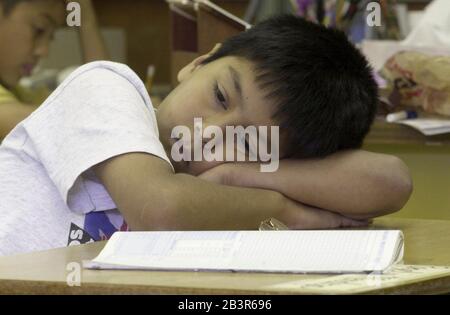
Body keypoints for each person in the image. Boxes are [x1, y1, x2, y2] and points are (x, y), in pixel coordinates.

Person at [0, 15, 413, 256]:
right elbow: (159, 211)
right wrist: (286, 212)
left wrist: (239, 176)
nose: (209, 133)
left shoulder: (220, 182)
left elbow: (390, 181)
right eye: (219, 95)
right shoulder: (106, 86)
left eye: (248, 142)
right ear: (198, 64)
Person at [0, 0, 108, 139]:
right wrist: (86, 20)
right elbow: (100, 120)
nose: (44, 51)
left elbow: (104, 100)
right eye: (39, 29)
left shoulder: (19, 95)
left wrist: (85, 18)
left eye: (50, 37)